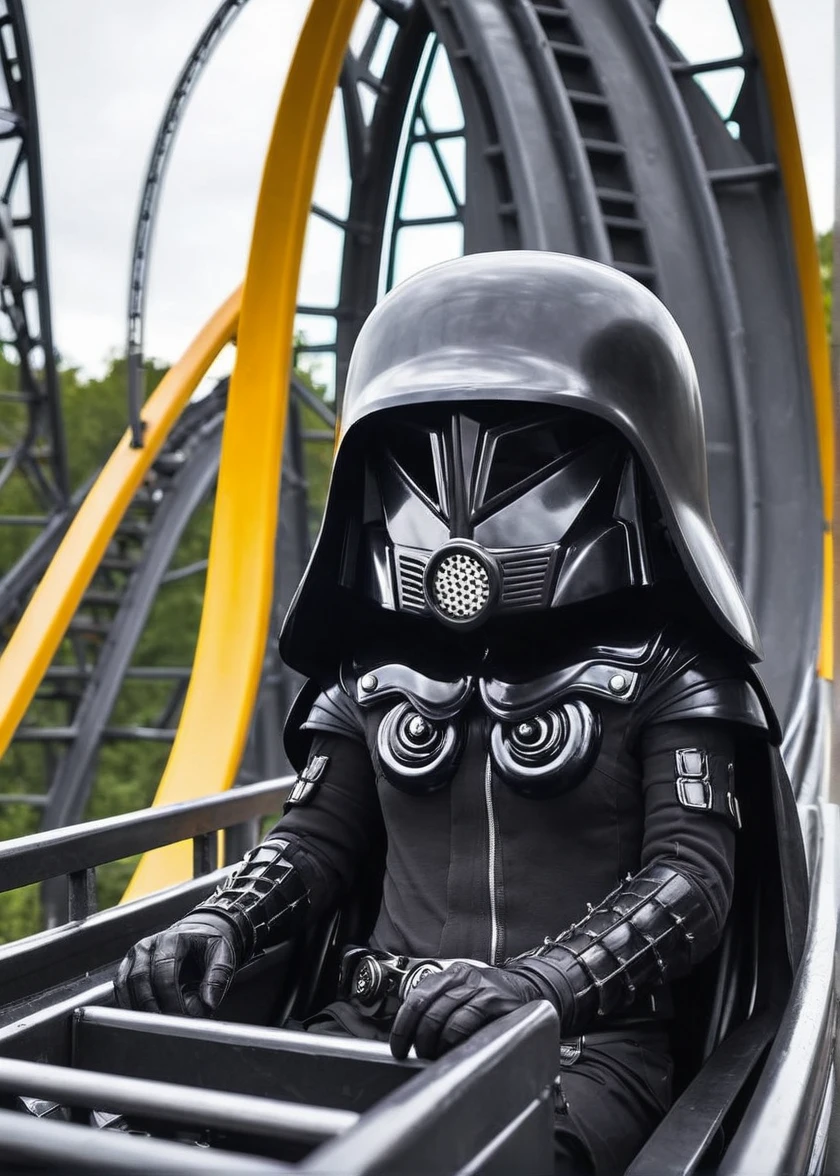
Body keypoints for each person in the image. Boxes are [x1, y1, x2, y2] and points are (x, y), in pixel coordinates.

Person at [115, 252, 808, 1175]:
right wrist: (227, 920)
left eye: (522, 451)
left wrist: (541, 986)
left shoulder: (673, 671)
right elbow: (315, 841)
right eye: (420, 451)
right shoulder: (369, 673)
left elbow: (690, 881)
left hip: (580, 1051)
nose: (461, 510)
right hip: (366, 1026)